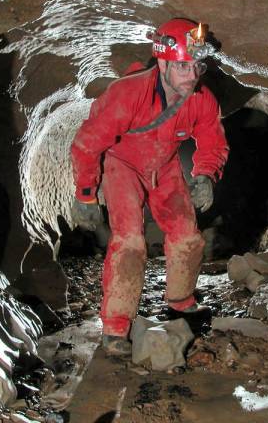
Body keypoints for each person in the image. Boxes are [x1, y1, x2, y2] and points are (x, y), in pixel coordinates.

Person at [70, 18, 229, 356]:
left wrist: (205, 174)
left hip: (165, 164)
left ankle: (180, 301)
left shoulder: (201, 99)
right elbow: (86, 144)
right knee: (129, 242)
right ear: (163, 61)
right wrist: (85, 193)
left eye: (198, 66)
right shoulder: (127, 94)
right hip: (121, 164)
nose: (192, 75)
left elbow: (213, 141)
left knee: (187, 236)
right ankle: (116, 327)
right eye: (184, 66)